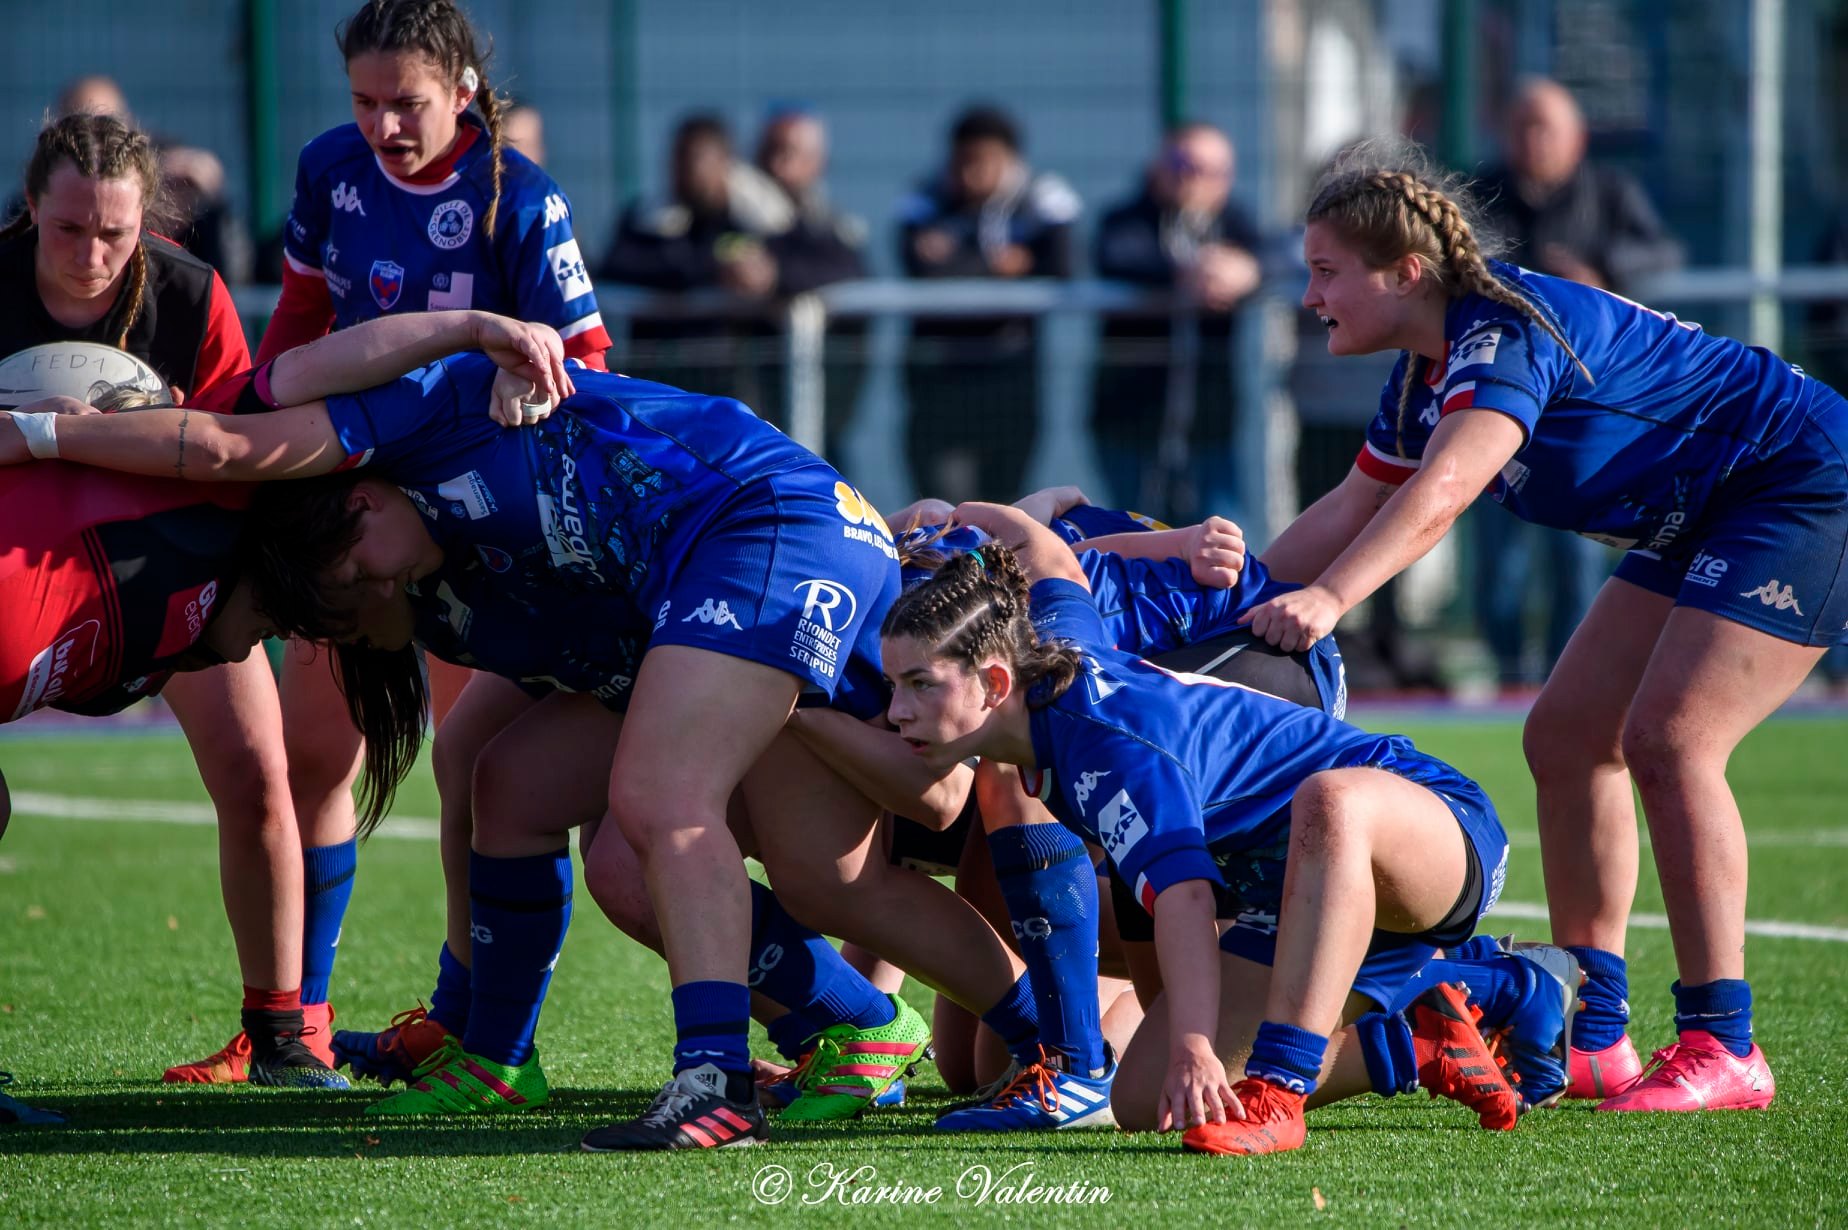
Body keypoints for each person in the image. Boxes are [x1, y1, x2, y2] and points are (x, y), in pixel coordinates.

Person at [19, 354, 1073, 1151]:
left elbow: (261, 400)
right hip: (709, 589)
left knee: (670, 804)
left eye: (353, 567)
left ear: (361, 487)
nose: (365, 593)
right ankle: (505, 1061)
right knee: (533, 796)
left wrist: (44, 435)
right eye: (339, 606)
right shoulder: (440, 584)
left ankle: (726, 1081)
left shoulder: (434, 415)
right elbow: (581, 662)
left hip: (760, 524)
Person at [1244, 144, 1848, 1112]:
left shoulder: (1503, 330)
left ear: (1406, 274)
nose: (1309, 295)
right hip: (1710, 508)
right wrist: (1226, 604)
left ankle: (1724, 1044)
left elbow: (1447, 491)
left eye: (1325, 272)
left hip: (1800, 484)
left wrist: (1332, 602)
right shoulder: (1421, 372)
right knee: (1567, 738)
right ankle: (1596, 1035)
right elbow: (1348, 510)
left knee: (1673, 740)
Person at [172, 0, 615, 1090]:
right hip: (351, 508)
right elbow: (301, 325)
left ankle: (477, 1028)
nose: (382, 125)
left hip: (476, 529)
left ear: (463, 85)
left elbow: (591, 366)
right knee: (320, 756)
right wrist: (248, 427)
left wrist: (529, 407)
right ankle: (296, 1026)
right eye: (364, 102)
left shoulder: (523, 197)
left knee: (479, 777)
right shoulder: (332, 171)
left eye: (405, 102)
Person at [881, 505, 1520, 1154]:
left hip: (1438, 829)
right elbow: (1046, 553)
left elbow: (1186, 897)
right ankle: (1417, 1034)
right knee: (1142, 1100)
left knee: (1331, 802)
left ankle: (1283, 1089)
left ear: (992, 682)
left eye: (919, 685)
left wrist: (1192, 1042)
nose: (896, 710)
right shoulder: (1049, 664)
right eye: (893, 685)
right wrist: (988, 516)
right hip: (1295, 900)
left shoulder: (1104, 742)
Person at [0, 111, 341, 1089]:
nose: (91, 254)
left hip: (167, 569)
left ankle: (282, 1035)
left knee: (256, 775)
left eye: (114, 232)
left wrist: (101, 444)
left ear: (145, 218)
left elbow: (231, 459)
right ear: (31, 209)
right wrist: (30, 436)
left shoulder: (190, 297)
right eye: (68, 230)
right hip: (19, 572)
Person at [1470, 78, 1683, 685]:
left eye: (1547, 128)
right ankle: (1508, 668)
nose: (1533, 140)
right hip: (1499, 397)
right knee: (1499, 552)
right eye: (1523, 126)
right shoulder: (1485, 192)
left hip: (1585, 409)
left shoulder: (1610, 191)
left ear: (1577, 139)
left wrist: (1598, 274)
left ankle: (1568, 671)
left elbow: (1663, 252)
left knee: (1576, 550)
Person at [899, 104, 1079, 502]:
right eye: (962, 162)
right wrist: (1003, 265)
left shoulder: (1042, 196)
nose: (970, 174)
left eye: (983, 162)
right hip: (938, 388)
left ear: (1010, 159)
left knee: (1003, 512)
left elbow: (1064, 264)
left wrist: (958, 260)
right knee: (946, 513)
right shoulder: (927, 196)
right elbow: (920, 269)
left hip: (1009, 382)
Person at [1091, 122, 1263, 524]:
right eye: (1182, 164)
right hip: (1129, 419)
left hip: (1209, 424)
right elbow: (1118, 256)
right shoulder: (1127, 219)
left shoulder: (1234, 223)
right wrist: (1190, 272)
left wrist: (1247, 271)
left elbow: (1277, 255)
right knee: (1136, 537)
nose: (1193, 179)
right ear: (1158, 166)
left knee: (1219, 539)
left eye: (1209, 170)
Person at [597, 113, 791, 403]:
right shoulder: (645, 217)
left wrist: (771, 275)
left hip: (739, 386)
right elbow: (615, 265)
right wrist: (712, 270)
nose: (685, 169)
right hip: (661, 382)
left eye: (697, 158)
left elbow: (812, 260)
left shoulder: (763, 219)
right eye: (678, 157)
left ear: (725, 162)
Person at [747, 105, 870, 456]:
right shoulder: (734, 213)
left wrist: (775, 277)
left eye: (792, 154)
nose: (779, 166)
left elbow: (849, 268)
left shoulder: (832, 225)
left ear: (819, 162)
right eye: (771, 151)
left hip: (819, 414)